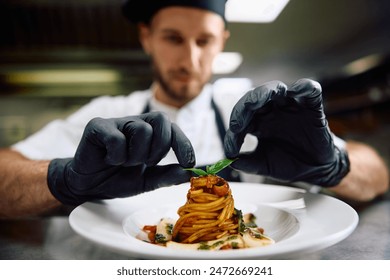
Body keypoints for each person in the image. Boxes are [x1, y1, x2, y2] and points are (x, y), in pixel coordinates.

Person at [0, 0, 388, 218]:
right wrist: (61, 178)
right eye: (173, 38)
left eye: (204, 40)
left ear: (222, 42)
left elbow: (377, 171)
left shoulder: (254, 112)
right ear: (146, 38)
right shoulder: (103, 115)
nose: (189, 58)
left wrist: (336, 165)